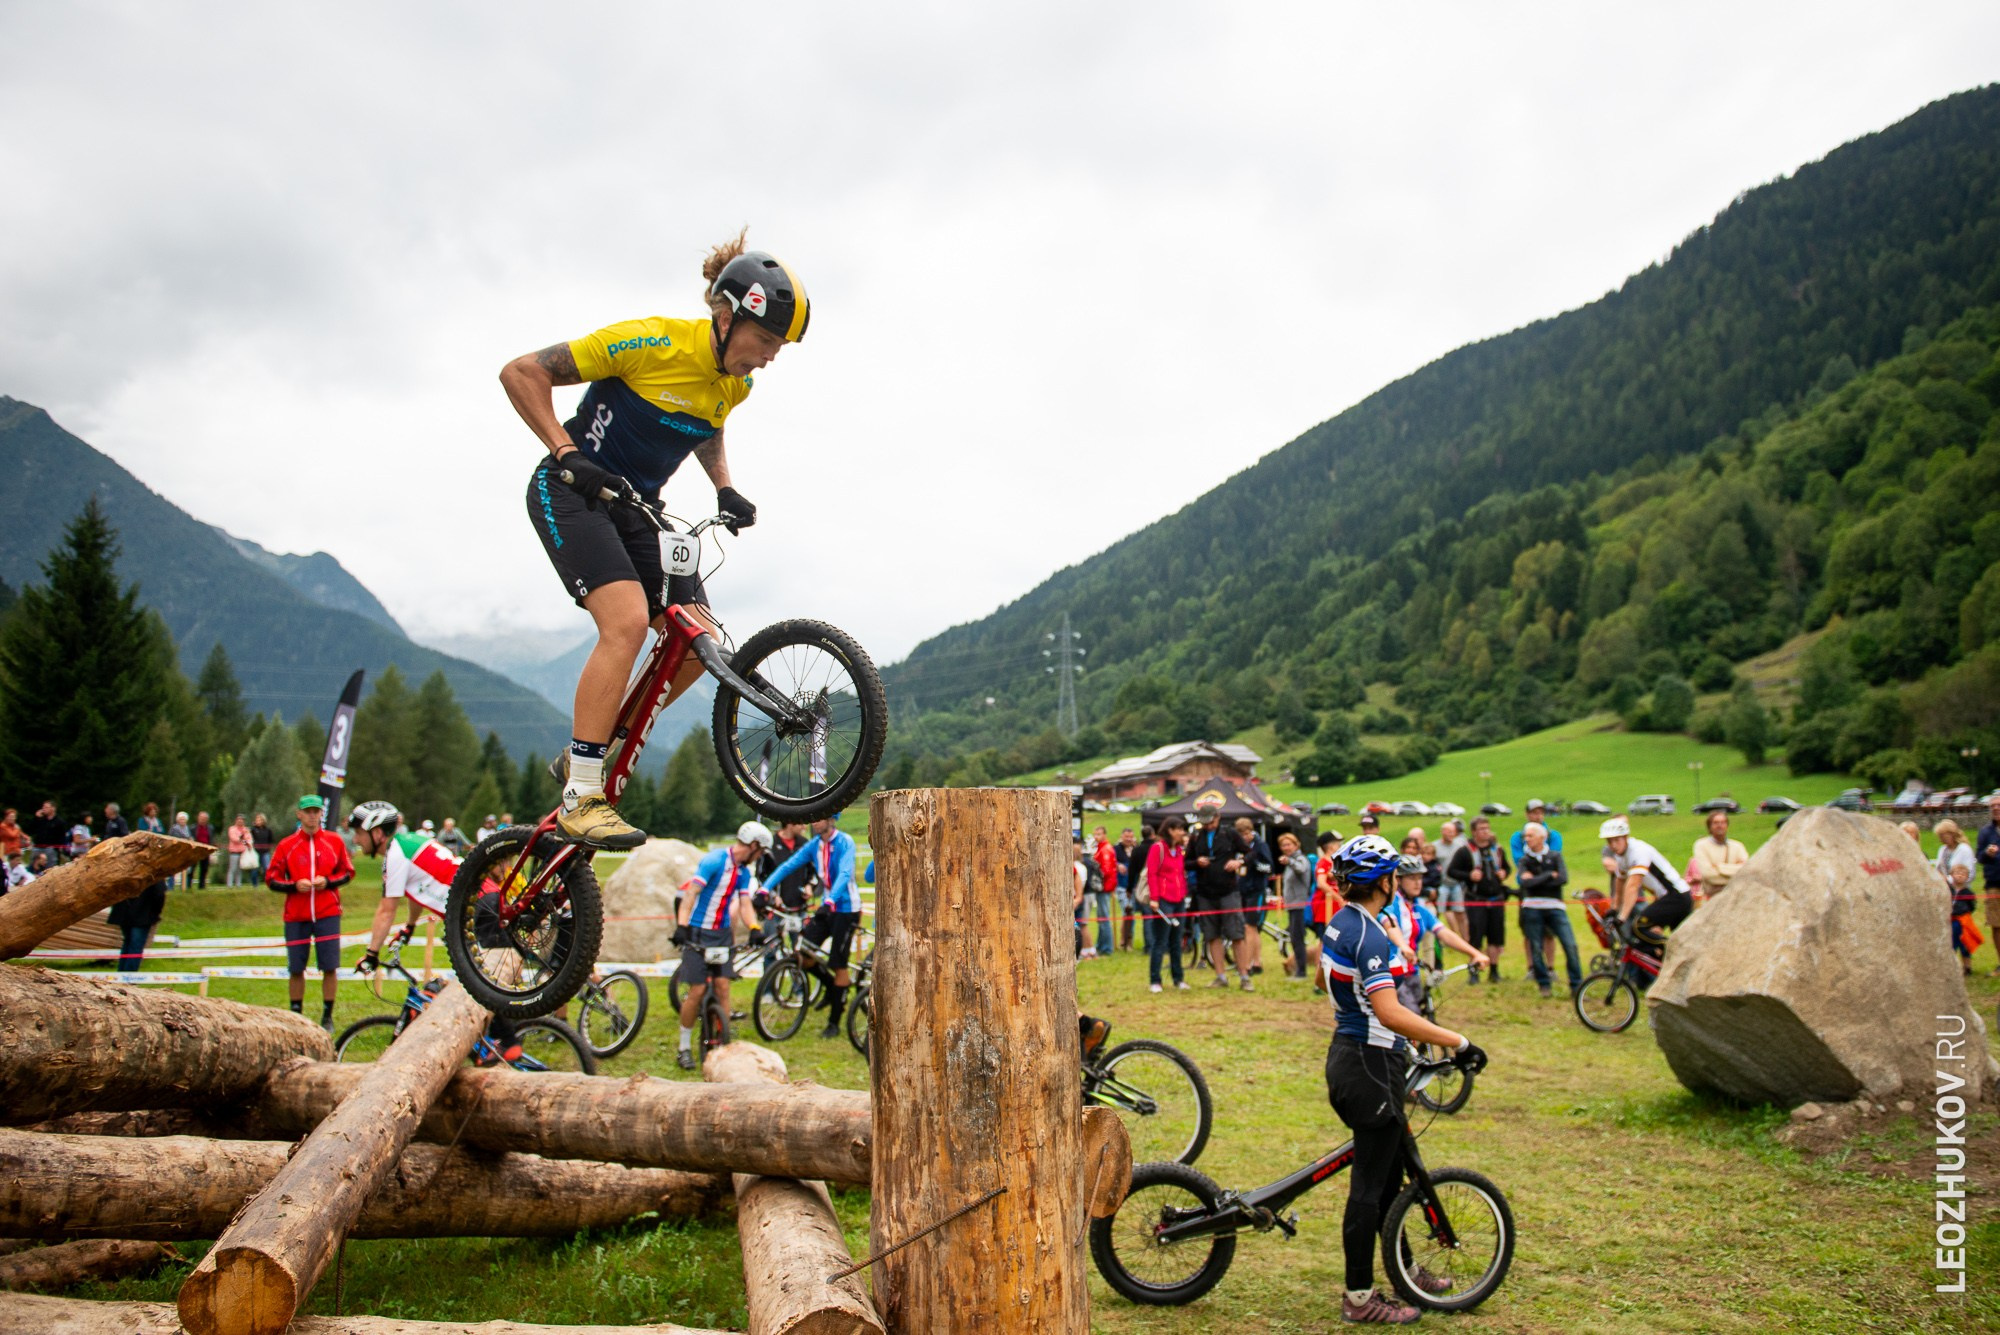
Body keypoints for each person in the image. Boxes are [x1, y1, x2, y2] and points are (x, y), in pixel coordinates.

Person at [500, 231, 810, 852]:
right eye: (767, 340)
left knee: (700, 642)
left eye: (780, 347)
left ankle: (592, 750)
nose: (771, 357)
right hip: (572, 491)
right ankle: (583, 794)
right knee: (628, 623)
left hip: (638, 510)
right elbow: (521, 373)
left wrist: (724, 486)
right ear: (726, 317)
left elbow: (704, 427)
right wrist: (566, 450)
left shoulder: (735, 383)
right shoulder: (651, 341)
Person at [1320, 834, 1485, 1325]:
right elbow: (1390, 1012)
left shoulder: (1345, 922)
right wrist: (1456, 1041)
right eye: (1393, 873)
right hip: (1368, 1066)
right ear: (1383, 882)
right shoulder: (1368, 935)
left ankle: (1404, 1269)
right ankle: (1358, 1299)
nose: (1397, 880)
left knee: (1393, 1176)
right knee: (1370, 1189)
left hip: (1362, 1058)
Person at [349, 799, 525, 1064]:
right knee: (478, 978)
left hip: (475, 906)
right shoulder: (409, 843)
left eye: (359, 833)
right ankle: (500, 1038)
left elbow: (386, 910)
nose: (356, 839)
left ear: (376, 833)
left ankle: (507, 1042)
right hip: (481, 901)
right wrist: (409, 926)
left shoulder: (396, 854)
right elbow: (416, 891)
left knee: (480, 980)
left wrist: (372, 954)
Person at [672, 822, 770, 1068]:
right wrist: (682, 926)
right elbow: (691, 894)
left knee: (723, 987)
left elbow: (745, 904)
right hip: (697, 931)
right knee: (696, 991)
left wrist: (754, 928)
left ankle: (724, 1047)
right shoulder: (714, 861)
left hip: (721, 935)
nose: (759, 857)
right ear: (754, 846)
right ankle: (684, 1047)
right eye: (760, 852)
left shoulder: (743, 873)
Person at [763, 813, 861, 1040]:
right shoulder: (814, 845)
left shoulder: (845, 841)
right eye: (813, 819)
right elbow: (787, 866)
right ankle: (832, 988)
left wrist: (830, 900)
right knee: (802, 954)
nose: (814, 822)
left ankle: (834, 1021)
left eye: (819, 818)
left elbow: (845, 873)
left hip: (845, 909)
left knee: (839, 964)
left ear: (831, 820)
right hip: (827, 908)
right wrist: (764, 889)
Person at [264, 795, 355, 1032]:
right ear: (299, 814)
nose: (313, 816)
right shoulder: (287, 845)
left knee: (330, 966)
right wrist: (294, 885)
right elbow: (271, 879)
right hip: (297, 915)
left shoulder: (334, 842)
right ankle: (296, 1015)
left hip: (327, 912)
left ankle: (327, 1015)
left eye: (316, 811)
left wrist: (328, 881)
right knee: (296, 967)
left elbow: (348, 872)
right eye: (308, 811)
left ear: (321, 814)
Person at [1379, 854, 1488, 1011]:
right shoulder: (1391, 902)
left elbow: (1443, 932)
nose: (1417, 883)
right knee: (1412, 1023)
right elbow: (1390, 924)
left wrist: (1474, 953)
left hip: (1412, 973)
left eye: (1420, 878)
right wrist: (1402, 946)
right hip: (1392, 975)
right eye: (1411, 878)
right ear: (1399, 880)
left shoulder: (1418, 906)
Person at [1187, 797, 1249, 989]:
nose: (1208, 826)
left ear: (1218, 817)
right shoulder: (1196, 836)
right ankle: (1220, 976)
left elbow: (1250, 852)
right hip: (1205, 893)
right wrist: (1197, 863)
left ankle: (1244, 977)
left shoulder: (1230, 833)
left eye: (1211, 822)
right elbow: (1186, 862)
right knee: (1212, 935)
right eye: (1205, 823)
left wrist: (1239, 862)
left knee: (1236, 934)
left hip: (1228, 892)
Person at [1602, 815, 1692, 944]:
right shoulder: (1621, 855)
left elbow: (1633, 885)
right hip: (1667, 897)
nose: (1613, 845)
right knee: (1679, 939)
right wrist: (1614, 909)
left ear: (1626, 837)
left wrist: (1622, 917)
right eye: (1609, 841)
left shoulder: (1638, 851)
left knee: (1639, 927)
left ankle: (1671, 954)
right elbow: (1620, 881)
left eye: (1617, 840)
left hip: (1677, 896)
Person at [1515, 822, 1581, 998]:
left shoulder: (1555, 856)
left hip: (1555, 906)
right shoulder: (1524, 860)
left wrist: (1536, 878)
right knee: (1536, 947)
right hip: (1532, 907)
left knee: (1570, 945)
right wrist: (1548, 875)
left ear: (1542, 837)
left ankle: (1577, 986)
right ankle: (1544, 984)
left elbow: (1563, 879)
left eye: (1530, 835)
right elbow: (1525, 883)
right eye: (1525, 836)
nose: (1526, 839)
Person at [1447, 817, 1512, 983]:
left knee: (1496, 936)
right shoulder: (1465, 851)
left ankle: (1494, 971)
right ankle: (1474, 971)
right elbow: (1451, 871)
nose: (1486, 832)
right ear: (1474, 832)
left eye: (1487, 828)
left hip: (1496, 898)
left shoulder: (1497, 850)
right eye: (1482, 829)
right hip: (1476, 899)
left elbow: (1507, 867)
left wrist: (1504, 873)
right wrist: (1469, 876)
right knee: (1476, 936)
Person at [1145, 817, 1189, 992]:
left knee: (1177, 941)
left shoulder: (1178, 850)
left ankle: (1178, 978)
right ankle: (1155, 980)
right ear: (1170, 830)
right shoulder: (1158, 848)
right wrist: (1154, 898)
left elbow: (1180, 874)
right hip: (1163, 900)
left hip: (1179, 900)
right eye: (1179, 829)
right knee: (1160, 941)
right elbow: (1152, 873)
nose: (1182, 832)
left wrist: (1184, 894)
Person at [1233, 816, 1276, 980]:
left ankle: (1248, 963)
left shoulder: (1260, 845)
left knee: (1249, 927)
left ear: (1251, 832)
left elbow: (1269, 868)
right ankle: (1257, 962)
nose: (1244, 837)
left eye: (1246, 833)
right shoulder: (1240, 847)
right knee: (1251, 929)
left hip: (1256, 890)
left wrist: (1254, 863)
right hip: (1243, 890)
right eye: (1241, 834)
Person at [1935, 818, 1977, 976]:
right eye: (1940, 836)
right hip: (1947, 893)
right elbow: (1939, 868)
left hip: (1961, 894)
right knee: (1949, 933)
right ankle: (1951, 964)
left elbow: (1969, 873)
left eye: (1944, 835)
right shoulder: (1942, 850)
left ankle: (1967, 965)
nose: (1942, 838)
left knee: (1964, 934)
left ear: (1952, 834)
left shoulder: (1964, 849)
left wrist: (1951, 880)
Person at [1278, 830, 1315, 978]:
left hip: (1300, 906)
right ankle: (1298, 969)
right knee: (1294, 938)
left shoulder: (1300, 859)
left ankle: (1301, 971)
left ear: (1296, 844)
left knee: (1298, 939)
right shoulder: (1291, 860)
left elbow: (1301, 869)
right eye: (1283, 845)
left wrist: (1290, 862)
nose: (1286, 847)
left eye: (1288, 844)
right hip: (1292, 906)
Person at [1690, 810, 1748, 899]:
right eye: (1716, 823)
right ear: (1709, 826)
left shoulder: (1737, 846)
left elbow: (1746, 870)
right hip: (1712, 898)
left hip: (1736, 896)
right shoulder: (1701, 845)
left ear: (1727, 825)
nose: (1720, 825)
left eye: (1723, 822)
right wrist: (1734, 871)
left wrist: (1719, 867)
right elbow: (1708, 875)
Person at [1978, 796, 2000, 975]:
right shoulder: (1986, 832)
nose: (1995, 808)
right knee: (1996, 925)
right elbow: (1980, 858)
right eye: (1992, 806)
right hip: (1993, 883)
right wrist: (1987, 853)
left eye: (1998, 805)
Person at [1090, 826, 1118, 955]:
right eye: (1095, 834)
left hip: (1104, 886)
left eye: (1099, 834)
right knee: (1101, 917)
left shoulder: (1105, 849)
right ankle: (1101, 945)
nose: (1097, 837)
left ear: (1104, 834)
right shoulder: (1101, 848)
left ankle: (1107, 947)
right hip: (1103, 886)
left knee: (1104, 917)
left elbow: (1106, 870)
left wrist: (1096, 875)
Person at [26, 800, 65, 865]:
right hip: (38, 847)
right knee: (33, 864)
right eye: (43, 807)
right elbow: (31, 829)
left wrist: (57, 848)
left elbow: (62, 836)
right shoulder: (41, 819)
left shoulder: (59, 822)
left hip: (51, 849)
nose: (43, 809)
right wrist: (36, 818)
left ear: (53, 808)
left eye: (46, 807)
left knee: (50, 866)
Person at [250, 813, 276, 885]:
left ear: (263, 821)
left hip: (265, 852)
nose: (258, 821)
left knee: (267, 868)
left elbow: (271, 840)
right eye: (257, 819)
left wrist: (271, 849)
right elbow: (247, 838)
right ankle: (254, 884)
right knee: (255, 869)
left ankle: (268, 883)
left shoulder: (268, 830)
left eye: (260, 819)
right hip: (256, 852)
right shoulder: (253, 830)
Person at [191, 811, 214, 888]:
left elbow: (211, 839)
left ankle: (202, 886)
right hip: (196, 850)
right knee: (192, 868)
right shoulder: (193, 828)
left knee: (204, 869)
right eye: (201, 818)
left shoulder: (210, 828)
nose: (202, 820)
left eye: (204, 818)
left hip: (206, 850)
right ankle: (188, 885)